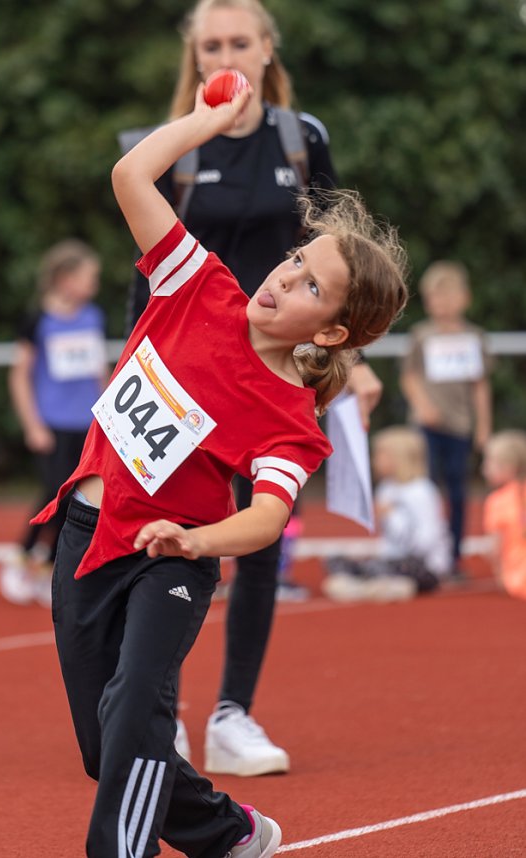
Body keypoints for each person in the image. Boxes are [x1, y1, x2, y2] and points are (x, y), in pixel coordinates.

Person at [32, 86, 408, 858]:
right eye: (296, 258)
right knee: (109, 752)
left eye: (309, 285)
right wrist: (206, 124)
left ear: (332, 330)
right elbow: (131, 177)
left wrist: (196, 543)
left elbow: (267, 517)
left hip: (167, 562)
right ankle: (229, 830)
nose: (283, 276)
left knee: (138, 712)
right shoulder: (195, 283)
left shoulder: (289, 419)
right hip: (85, 535)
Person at [122, 0, 384, 775]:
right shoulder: (172, 144)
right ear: (195, 57)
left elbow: (340, 255)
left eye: (241, 39)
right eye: (212, 43)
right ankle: (156, 708)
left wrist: (355, 360)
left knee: (263, 539)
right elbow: (146, 261)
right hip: (182, 365)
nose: (226, 52)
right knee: (160, 531)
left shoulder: (303, 139)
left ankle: (234, 714)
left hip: (275, 364)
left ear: (267, 50)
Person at [0, 239, 107, 607]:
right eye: (89, 277)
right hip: (52, 423)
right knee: (53, 491)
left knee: (76, 496)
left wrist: (108, 414)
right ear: (64, 278)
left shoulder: (93, 315)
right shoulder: (37, 320)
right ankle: (21, 555)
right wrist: (33, 424)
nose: (94, 284)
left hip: (88, 423)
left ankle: (47, 567)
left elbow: (98, 370)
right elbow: (20, 375)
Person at [400, 260, 492, 576]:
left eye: (448, 296)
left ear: (465, 298)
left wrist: (483, 427)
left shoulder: (475, 337)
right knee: (424, 491)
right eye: (436, 297)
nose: (442, 304)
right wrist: (424, 406)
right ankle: (425, 554)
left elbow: (480, 386)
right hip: (427, 426)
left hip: (461, 426)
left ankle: (453, 557)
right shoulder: (421, 335)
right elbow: (409, 377)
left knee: (457, 491)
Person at [323, 425, 452, 603]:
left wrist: (393, 516)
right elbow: (388, 540)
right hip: (392, 561)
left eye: (380, 455)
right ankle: (376, 583)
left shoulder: (422, 492)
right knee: (336, 559)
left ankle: (383, 583)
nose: (374, 461)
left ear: (398, 458)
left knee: (381, 567)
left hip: (424, 564)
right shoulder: (385, 489)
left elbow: (425, 541)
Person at [482, 430, 526, 600]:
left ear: (508, 467)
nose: (483, 468)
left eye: (488, 462)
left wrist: (500, 575)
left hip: (517, 578)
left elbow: (495, 549)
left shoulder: (496, 501)